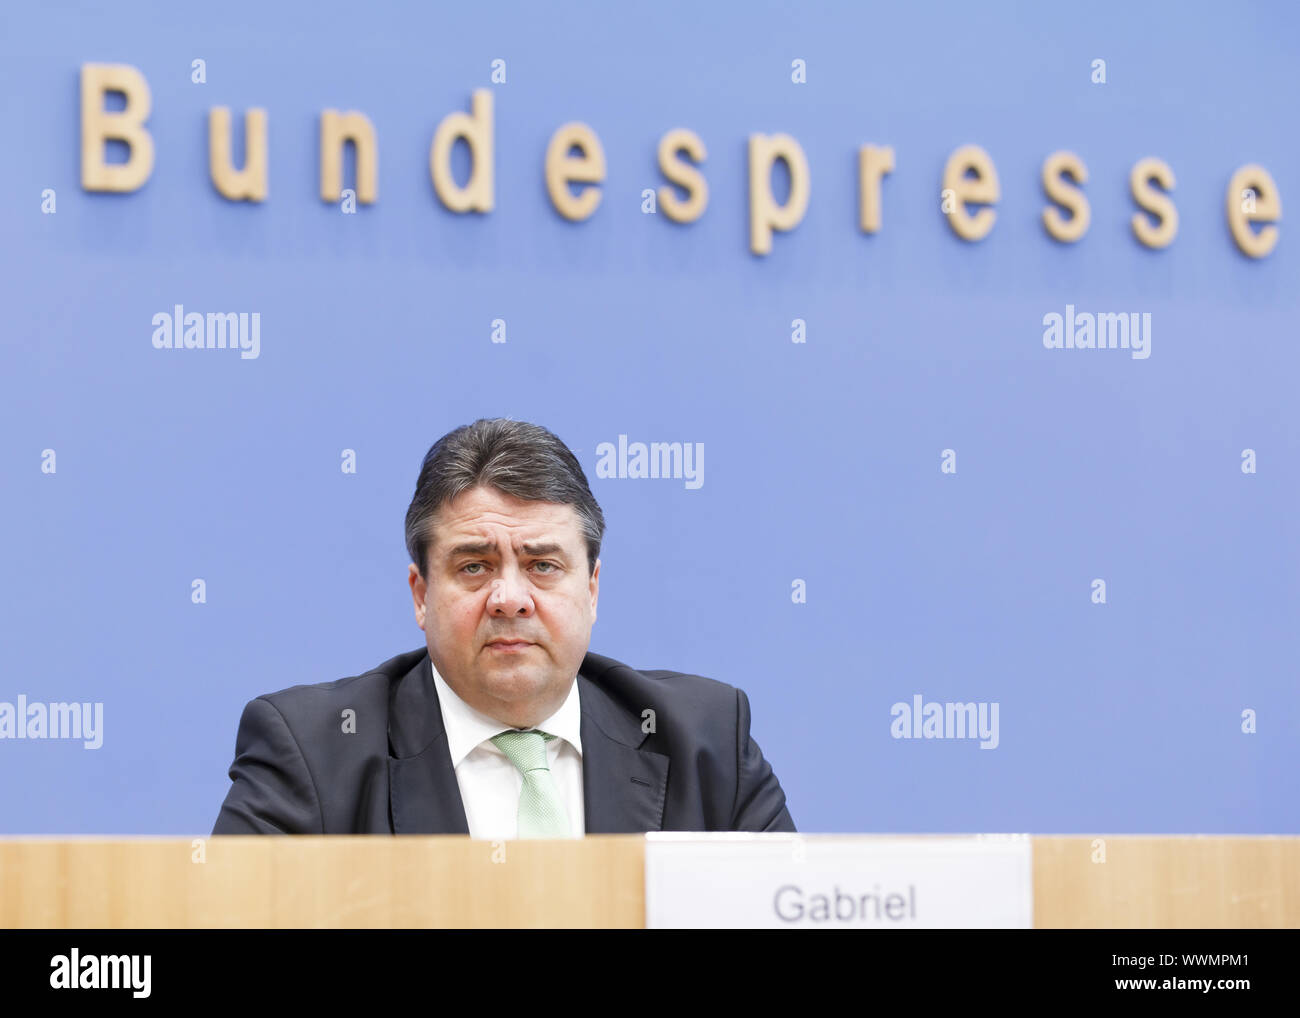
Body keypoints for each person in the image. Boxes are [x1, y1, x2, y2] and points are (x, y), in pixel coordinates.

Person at [212, 417, 794, 836]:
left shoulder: (706, 740)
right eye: (474, 567)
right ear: (421, 595)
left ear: (591, 589)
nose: (509, 598)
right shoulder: (312, 755)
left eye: (542, 565)